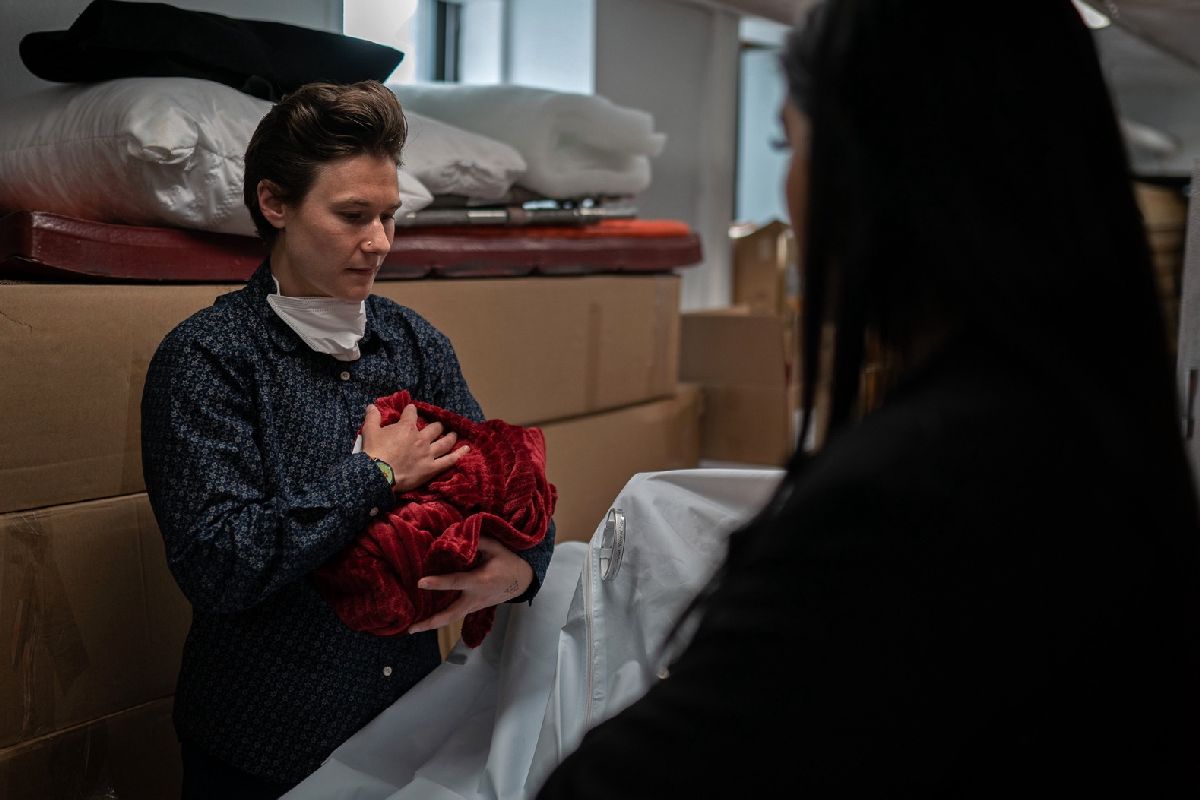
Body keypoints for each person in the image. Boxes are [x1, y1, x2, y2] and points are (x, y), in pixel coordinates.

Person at [535, 1, 1200, 796]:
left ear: (877, 168)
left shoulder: (914, 495)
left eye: (790, 144)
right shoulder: (1101, 439)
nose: (789, 192)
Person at [140, 80, 555, 799]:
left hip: (411, 727)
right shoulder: (209, 358)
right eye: (353, 216)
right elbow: (220, 565)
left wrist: (519, 573)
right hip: (263, 748)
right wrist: (375, 474)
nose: (380, 243)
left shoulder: (414, 343)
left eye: (389, 217)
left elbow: (509, 491)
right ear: (275, 203)